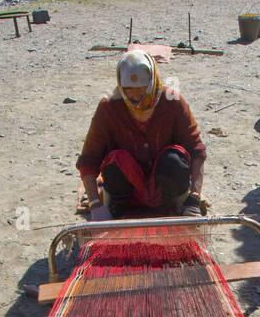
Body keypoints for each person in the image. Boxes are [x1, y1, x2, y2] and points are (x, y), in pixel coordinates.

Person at [77, 50, 207, 220]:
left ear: (153, 82)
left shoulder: (173, 102)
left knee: (174, 160)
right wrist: (95, 205)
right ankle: (119, 212)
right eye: (129, 89)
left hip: (164, 188)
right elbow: (89, 160)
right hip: (125, 191)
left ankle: (174, 208)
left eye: (142, 89)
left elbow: (196, 151)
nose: (136, 95)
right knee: (116, 161)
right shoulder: (109, 108)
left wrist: (194, 198)